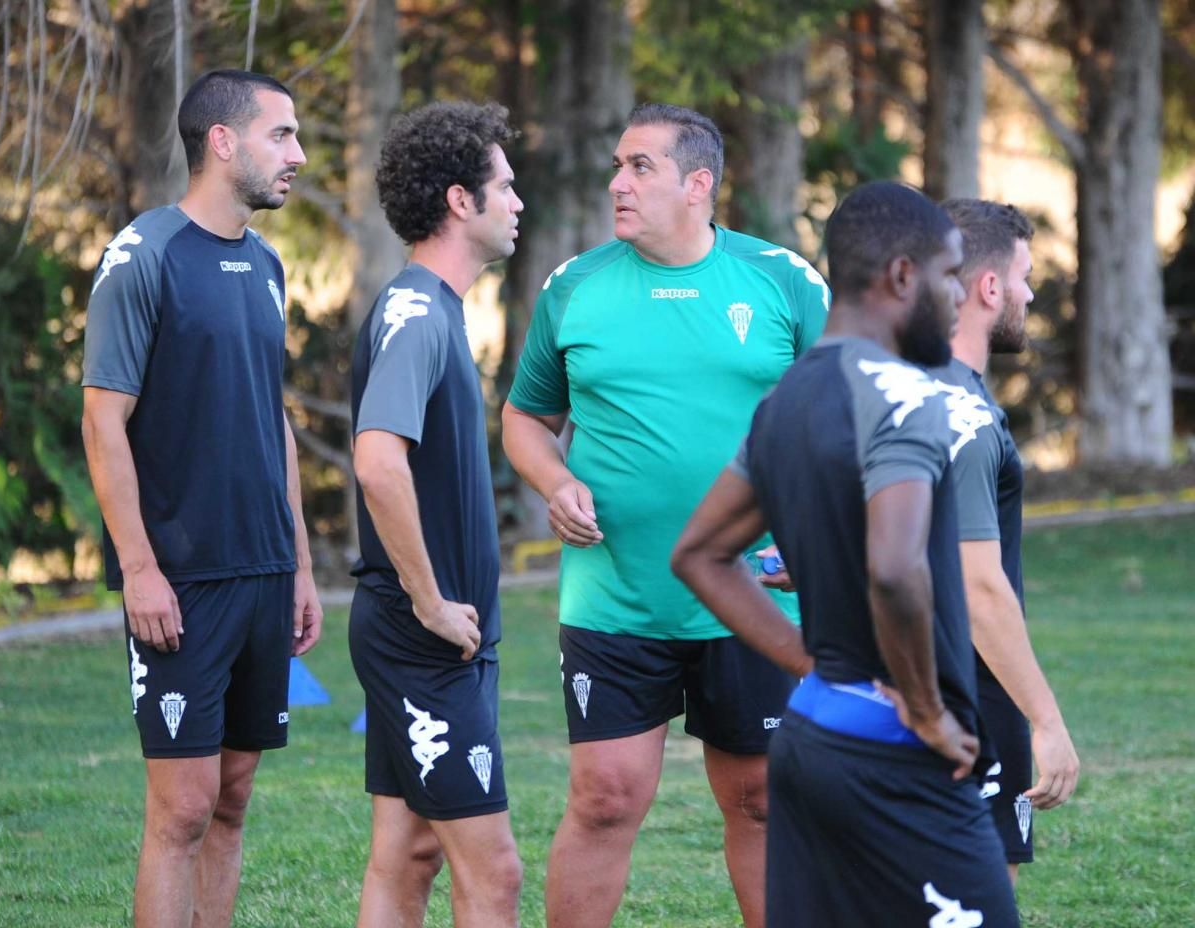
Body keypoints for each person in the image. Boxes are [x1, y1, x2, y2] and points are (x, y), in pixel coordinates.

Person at [503, 102, 830, 928]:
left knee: (759, 797)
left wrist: (819, 533)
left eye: (638, 167)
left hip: (753, 597)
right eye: (617, 164)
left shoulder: (784, 281)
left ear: (698, 185)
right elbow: (524, 418)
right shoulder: (573, 286)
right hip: (616, 595)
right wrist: (552, 481)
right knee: (606, 797)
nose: (617, 182)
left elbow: (842, 420)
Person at [672, 181, 1020, 927]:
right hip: (900, 754)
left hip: (813, 736)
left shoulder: (785, 399)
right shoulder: (906, 395)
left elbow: (699, 555)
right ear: (901, 276)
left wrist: (811, 663)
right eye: (947, 274)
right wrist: (926, 711)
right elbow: (896, 569)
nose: (957, 297)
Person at [82, 69, 322, 928]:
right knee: (181, 807)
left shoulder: (266, 262)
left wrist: (299, 565)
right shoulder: (143, 255)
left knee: (232, 798)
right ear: (223, 142)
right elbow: (103, 424)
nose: (297, 154)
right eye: (281, 135)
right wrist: (139, 570)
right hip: (182, 578)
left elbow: (274, 421)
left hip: (262, 570)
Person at [348, 101, 524, 928]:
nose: (518, 201)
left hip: (429, 636)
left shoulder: (437, 309)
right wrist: (427, 599)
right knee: (493, 876)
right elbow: (378, 462)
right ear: (462, 201)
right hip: (423, 642)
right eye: (506, 186)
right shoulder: (418, 312)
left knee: (408, 853)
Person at [933, 198, 1080, 882]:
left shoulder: (887, 388)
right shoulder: (962, 413)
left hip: (881, 693)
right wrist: (1045, 720)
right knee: (977, 898)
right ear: (988, 288)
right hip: (964, 695)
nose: (1027, 293)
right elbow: (979, 586)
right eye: (1022, 277)